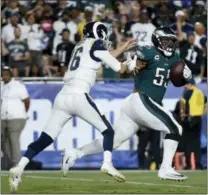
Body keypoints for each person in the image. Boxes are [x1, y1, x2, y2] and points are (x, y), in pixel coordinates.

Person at [9, 21, 136, 192]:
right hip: (79, 94)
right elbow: (119, 68)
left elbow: (103, 57)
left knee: (45, 138)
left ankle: (19, 167)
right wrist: (129, 65)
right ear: (99, 32)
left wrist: (122, 49)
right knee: (109, 131)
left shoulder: (81, 45)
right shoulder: (97, 44)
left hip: (62, 97)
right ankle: (107, 163)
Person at [62, 27, 192, 181]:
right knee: (175, 128)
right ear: (157, 40)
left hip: (136, 105)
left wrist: (186, 75)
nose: (169, 44)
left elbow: (176, 79)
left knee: (114, 141)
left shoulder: (174, 57)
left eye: (171, 41)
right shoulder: (147, 51)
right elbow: (130, 68)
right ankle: (165, 169)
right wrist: (132, 65)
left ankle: (76, 152)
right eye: (166, 41)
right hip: (141, 99)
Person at [1, 66, 30, 168]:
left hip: (17, 118)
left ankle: (17, 164)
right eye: (3, 74)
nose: (5, 76)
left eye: (7, 74)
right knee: (5, 141)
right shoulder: (1, 86)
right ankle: (11, 164)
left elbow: (27, 100)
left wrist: (23, 113)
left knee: (13, 140)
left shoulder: (18, 85)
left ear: (10, 74)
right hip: (4, 118)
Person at [180, 79, 207, 169]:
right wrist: (203, 112)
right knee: (196, 143)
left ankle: (188, 165)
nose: (185, 86)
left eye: (186, 84)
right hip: (198, 119)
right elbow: (206, 103)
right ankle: (198, 164)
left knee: (187, 143)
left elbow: (182, 103)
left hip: (189, 119)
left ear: (191, 84)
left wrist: (182, 114)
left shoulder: (188, 93)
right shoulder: (201, 93)